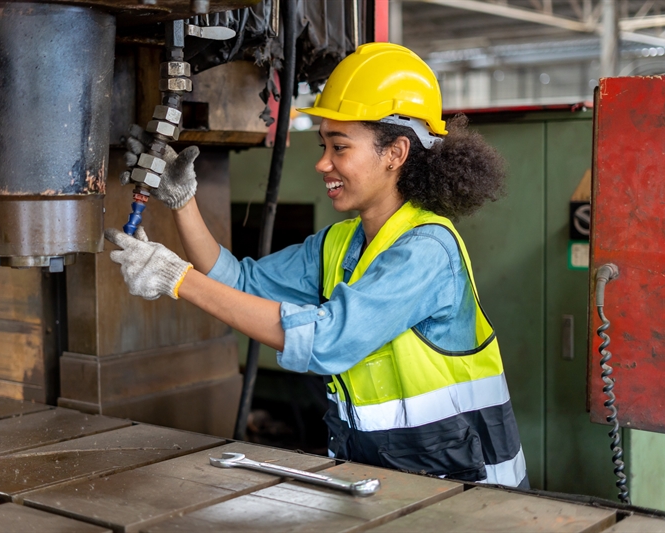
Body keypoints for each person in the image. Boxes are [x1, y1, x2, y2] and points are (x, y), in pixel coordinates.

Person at [106, 42, 528, 488]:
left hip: (468, 491)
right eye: (323, 143)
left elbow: (329, 340)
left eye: (340, 146)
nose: (322, 162)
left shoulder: (427, 250)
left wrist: (177, 280)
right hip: (386, 475)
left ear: (396, 153)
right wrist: (182, 201)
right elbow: (242, 281)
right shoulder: (339, 244)